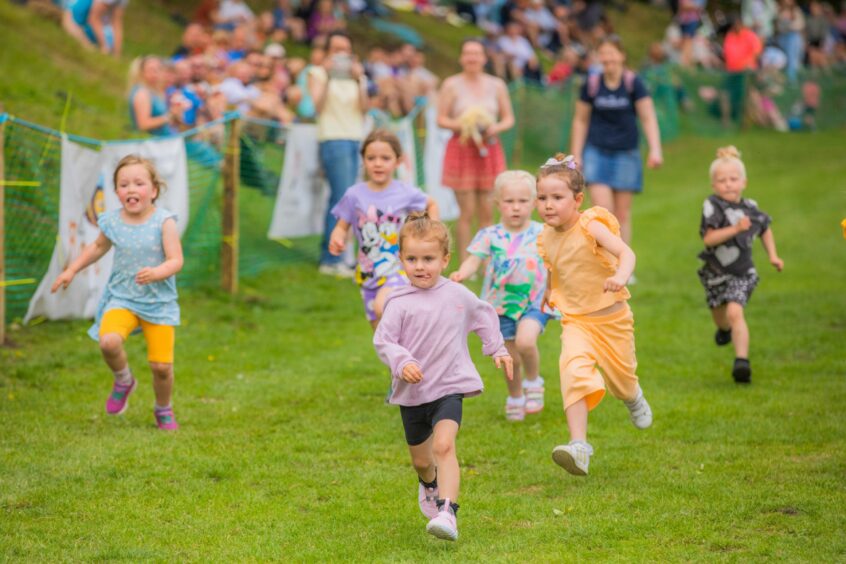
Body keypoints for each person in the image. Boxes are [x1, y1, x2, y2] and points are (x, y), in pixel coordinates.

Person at [373, 212, 513, 541]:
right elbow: (384, 340)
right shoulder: (398, 302)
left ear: (445, 259)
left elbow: (484, 314)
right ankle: (429, 484)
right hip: (413, 394)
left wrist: (498, 349)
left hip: (449, 387)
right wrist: (401, 361)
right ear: (401, 260)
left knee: (444, 445)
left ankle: (448, 513)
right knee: (423, 462)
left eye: (429, 259)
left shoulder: (456, 295)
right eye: (412, 259)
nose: (420, 266)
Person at [535, 153, 653, 476]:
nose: (547, 205)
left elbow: (626, 252)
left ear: (577, 200)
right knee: (572, 371)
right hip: (576, 320)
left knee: (622, 382)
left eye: (557, 198)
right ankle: (579, 447)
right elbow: (554, 265)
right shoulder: (545, 235)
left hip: (612, 319)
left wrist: (621, 276)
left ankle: (633, 396)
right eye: (542, 197)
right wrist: (548, 291)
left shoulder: (590, 226)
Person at [51, 155, 183, 430]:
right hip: (122, 298)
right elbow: (97, 248)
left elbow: (176, 260)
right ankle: (124, 380)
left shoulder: (164, 222)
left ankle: (163, 408)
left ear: (154, 191)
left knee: (161, 368)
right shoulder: (112, 221)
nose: (131, 189)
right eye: (124, 184)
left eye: (138, 183)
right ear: (117, 192)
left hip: (159, 304)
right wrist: (71, 270)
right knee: (108, 341)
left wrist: (158, 272)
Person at [450, 170, 550, 421]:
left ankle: (533, 381)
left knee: (526, 342)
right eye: (509, 202)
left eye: (523, 201)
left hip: (534, 302)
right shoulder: (490, 235)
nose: (516, 208)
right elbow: (474, 259)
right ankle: (515, 396)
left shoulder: (543, 233)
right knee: (510, 358)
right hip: (499, 306)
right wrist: (462, 273)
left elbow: (561, 258)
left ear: (535, 202)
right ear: (497, 203)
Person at [329, 129, 439, 329]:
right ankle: (408, 357)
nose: (378, 163)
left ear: (397, 161)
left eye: (385, 158)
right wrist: (337, 237)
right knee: (382, 338)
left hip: (399, 268)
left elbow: (431, 204)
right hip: (368, 274)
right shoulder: (354, 195)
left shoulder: (405, 192)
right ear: (363, 160)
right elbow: (341, 226)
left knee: (383, 306)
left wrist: (432, 233)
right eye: (371, 158)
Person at [570, 36, 662, 263]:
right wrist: (577, 153)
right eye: (603, 53)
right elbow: (580, 120)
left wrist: (655, 149)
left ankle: (623, 263)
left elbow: (648, 117)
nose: (608, 58)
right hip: (596, 152)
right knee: (602, 212)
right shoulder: (591, 84)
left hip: (626, 154)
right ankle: (603, 263)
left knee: (621, 214)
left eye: (612, 53)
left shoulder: (634, 83)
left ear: (622, 55)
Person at [697, 146, 784, 384]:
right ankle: (723, 330)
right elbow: (709, 239)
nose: (728, 184)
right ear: (713, 185)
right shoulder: (712, 206)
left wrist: (773, 256)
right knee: (720, 314)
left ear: (743, 182)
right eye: (722, 180)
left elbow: (764, 229)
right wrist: (735, 229)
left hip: (742, 272)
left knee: (735, 312)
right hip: (715, 272)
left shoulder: (751, 208)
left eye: (733, 179)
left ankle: (742, 362)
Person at [437, 38, 515, 264]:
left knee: (487, 212)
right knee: (466, 212)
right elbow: (441, 118)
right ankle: (464, 261)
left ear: (484, 58)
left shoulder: (497, 85)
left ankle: (487, 263)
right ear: (462, 58)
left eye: (476, 53)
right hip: (462, 149)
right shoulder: (451, 84)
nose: (472, 58)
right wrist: (463, 126)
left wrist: (495, 127)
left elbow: (508, 118)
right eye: (467, 53)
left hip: (488, 149)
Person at [308, 31, 368, 277]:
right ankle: (331, 258)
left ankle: (342, 255)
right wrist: (330, 76)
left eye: (346, 49)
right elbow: (317, 107)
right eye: (336, 48)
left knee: (349, 199)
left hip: (355, 137)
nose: (341, 53)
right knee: (341, 199)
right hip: (333, 137)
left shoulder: (358, 76)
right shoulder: (318, 73)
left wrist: (358, 80)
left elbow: (365, 109)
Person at [128, 56, 179, 136]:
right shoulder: (142, 93)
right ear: (142, 72)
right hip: (152, 144)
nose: (155, 73)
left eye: (158, 69)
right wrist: (169, 116)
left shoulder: (153, 91)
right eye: (151, 70)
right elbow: (143, 125)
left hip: (163, 141)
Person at [62, 0, 128, 57]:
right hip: (79, 15)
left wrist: (117, 54)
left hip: (94, 19)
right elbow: (93, 18)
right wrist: (104, 46)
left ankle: (89, 41)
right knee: (72, 20)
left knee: (109, 41)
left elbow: (116, 22)